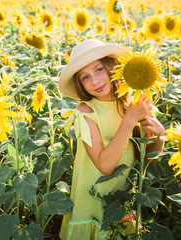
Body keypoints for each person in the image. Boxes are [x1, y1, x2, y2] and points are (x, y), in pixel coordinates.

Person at [58, 39, 165, 240]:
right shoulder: (86, 112)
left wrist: (159, 134)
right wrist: (130, 119)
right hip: (92, 197)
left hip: (122, 197)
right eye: (85, 77)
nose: (95, 81)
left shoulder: (130, 103)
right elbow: (104, 165)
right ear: (79, 83)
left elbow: (149, 158)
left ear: (112, 67)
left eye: (98, 69)